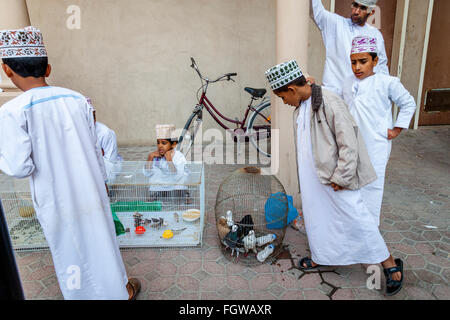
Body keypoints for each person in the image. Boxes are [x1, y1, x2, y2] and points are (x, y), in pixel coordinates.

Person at [0, 27, 140, 300]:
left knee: (72, 254)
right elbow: (95, 149)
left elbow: (19, 168)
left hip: (57, 199)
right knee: (103, 243)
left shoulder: (11, 112)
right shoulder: (77, 99)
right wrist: (103, 183)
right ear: (48, 68)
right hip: (91, 190)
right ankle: (119, 291)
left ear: (7, 70)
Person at [265, 60, 403, 296]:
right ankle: (323, 256)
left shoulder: (329, 102)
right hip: (313, 180)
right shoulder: (303, 104)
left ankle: (389, 263)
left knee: (357, 217)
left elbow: (349, 144)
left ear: (292, 90)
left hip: (336, 179)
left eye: (282, 98)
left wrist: (342, 176)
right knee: (319, 218)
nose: (284, 103)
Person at [342, 36, 416, 226]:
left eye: (363, 61)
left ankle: (370, 228)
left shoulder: (387, 82)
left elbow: (408, 103)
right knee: (351, 182)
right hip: (351, 142)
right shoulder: (348, 82)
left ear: (375, 61)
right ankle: (353, 224)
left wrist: (397, 129)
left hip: (376, 144)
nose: (357, 67)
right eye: (353, 62)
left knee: (372, 186)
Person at [310, 0, 389, 96]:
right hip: (333, 94)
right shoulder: (336, 24)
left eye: (362, 8)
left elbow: (381, 68)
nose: (356, 11)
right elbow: (316, 11)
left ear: (371, 12)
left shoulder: (375, 35)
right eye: (355, 6)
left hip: (360, 98)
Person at [144, 124, 189, 202]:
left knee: (183, 176)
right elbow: (148, 173)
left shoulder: (179, 156)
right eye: (158, 143)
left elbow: (177, 174)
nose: (160, 146)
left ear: (173, 144)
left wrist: (169, 160)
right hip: (164, 178)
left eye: (164, 143)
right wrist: (150, 157)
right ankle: (155, 193)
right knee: (155, 174)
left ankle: (185, 194)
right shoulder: (156, 155)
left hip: (175, 178)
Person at [89, 98, 124, 184]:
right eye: (88, 117)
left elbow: (110, 159)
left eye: (93, 116)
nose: (92, 120)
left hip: (108, 164)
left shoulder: (105, 132)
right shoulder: (77, 131)